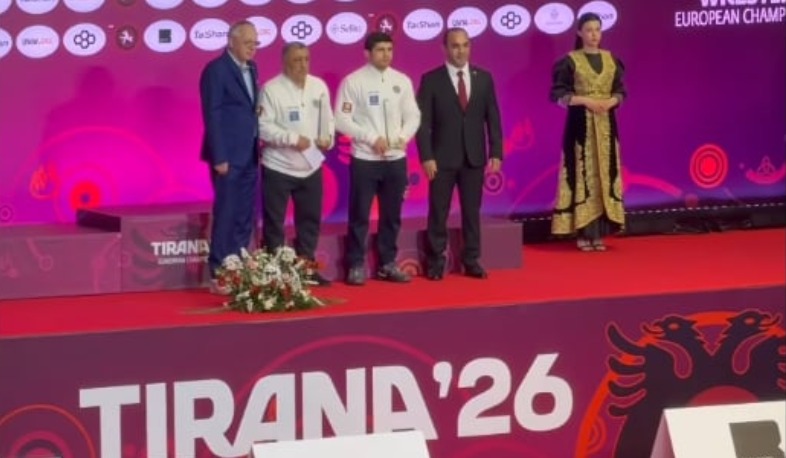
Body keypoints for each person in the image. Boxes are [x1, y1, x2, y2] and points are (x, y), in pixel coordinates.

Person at [415, 27, 503, 281]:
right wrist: (426, 156)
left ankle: (471, 259)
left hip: (474, 158)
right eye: (455, 46)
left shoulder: (484, 78)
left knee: (472, 212)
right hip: (441, 159)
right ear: (445, 48)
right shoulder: (431, 80)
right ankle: (435, 261)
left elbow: (493, 118)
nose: (460, 51)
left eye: (465, 45)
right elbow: (422, 123)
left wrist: (496, 151)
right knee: (438, 212)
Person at [334, 32, 421, 286]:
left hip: (396, 160)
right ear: (367, 53)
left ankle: (387, 263)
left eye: (389, 49)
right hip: (365, 159)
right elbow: (341, 119)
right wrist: (371, 138)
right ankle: (356, 264)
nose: (386, 54)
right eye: (380, 50)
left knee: (392, 215)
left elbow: (413, 115)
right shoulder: (353, 82)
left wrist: (403, 137)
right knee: (360, 214)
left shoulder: (401, 81)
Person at [549, 12, 626, 251]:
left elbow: (620, 91)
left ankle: (599, 233)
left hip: (606, 126)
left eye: (597, 30)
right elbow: (558, 94)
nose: (594, 34)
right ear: (579, 33)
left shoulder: (612, 60)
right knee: (582, 174)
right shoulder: (570, 61)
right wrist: (585, 101)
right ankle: (583, 232)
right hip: (580, 126)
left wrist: (610, 102)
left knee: (606, 173)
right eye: (589, 30)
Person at [258, 42, 333, 286]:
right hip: (278, 166)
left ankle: (306, 269)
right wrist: (291, 138)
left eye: (306, 59)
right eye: (296, 60)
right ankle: (275, 273)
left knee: (310, 221)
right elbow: (263, 127)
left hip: (311, 166)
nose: (302, 65)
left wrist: (328, 138)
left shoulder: (319, 86)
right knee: (275, 223)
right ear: (285, 62)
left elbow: (328, 121)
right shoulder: (271, 89)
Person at [199, 20, 260, 294]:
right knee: (226, 212)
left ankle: (238, 265)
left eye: (255, 43)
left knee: (245, 214)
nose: (252, 48)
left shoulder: (252, 68)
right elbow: (212, 114)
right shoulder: (216, 70)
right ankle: (218, 272)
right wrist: (219, 156)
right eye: (247, 43)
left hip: (249, 153)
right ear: (231, 41)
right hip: (227, 157)